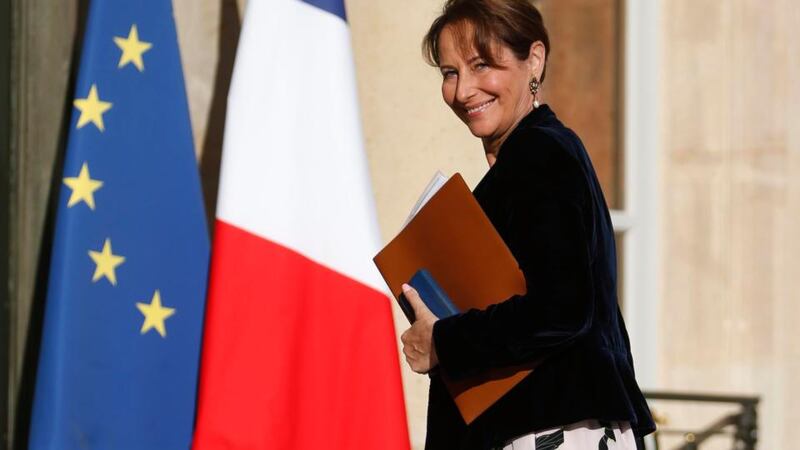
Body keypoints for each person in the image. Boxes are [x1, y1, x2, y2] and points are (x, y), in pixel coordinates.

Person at [398, 1, 656, 448]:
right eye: (450, 72)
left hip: (549, 429)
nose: (463, 91)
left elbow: (561, 309)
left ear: (533, 60)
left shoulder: (540, 154)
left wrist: (444, 342)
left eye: (482, 64)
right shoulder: (533, 156)